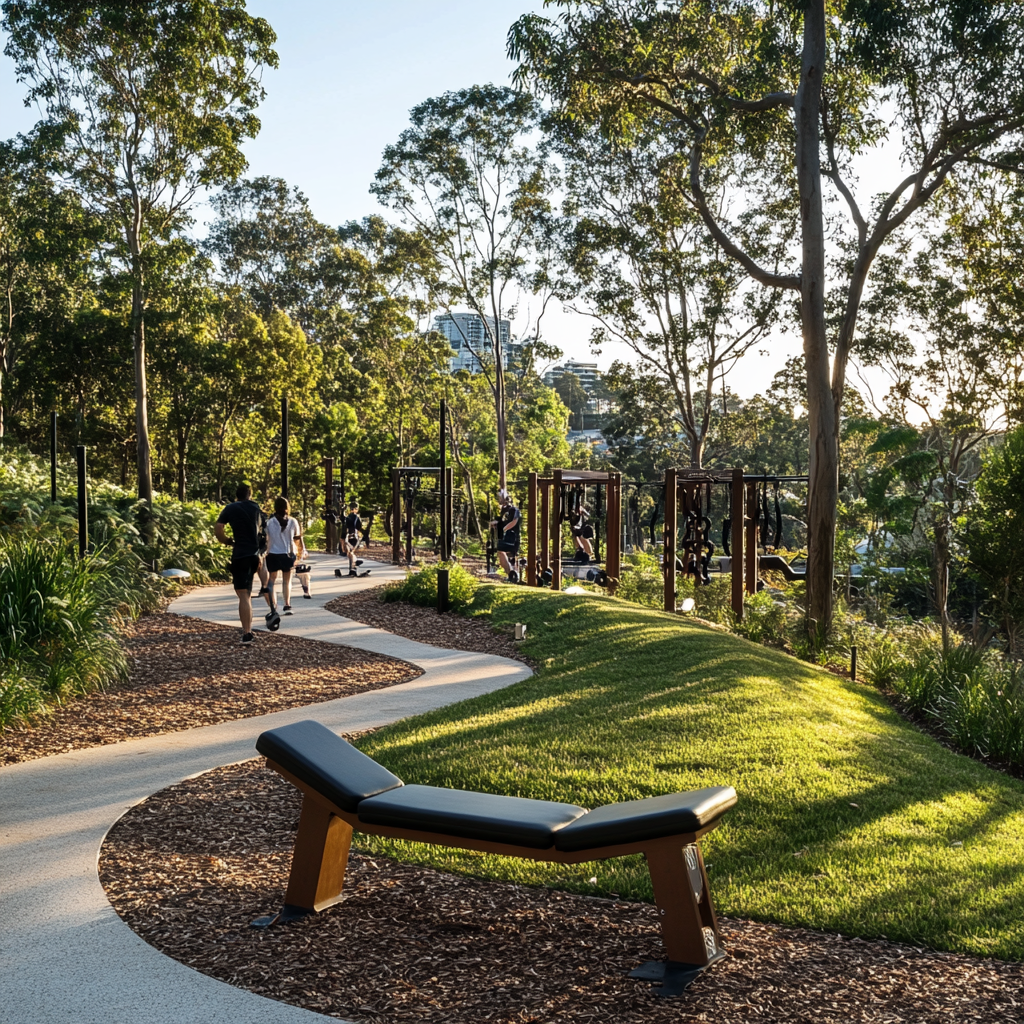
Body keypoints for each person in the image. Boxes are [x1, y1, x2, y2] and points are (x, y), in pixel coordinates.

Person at [214, 483, 277, 643]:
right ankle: (272, 608)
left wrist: (227, 541)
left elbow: (219, 528)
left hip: (240, 554)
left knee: (244, 595)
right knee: (251, 590)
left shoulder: (230, 508)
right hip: (256, 555)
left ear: (237, 495)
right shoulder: (257, 509)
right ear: (250, 494)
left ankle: (247, 633)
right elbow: (264, 535)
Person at [265, 496, 306, 614]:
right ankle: (287, 605)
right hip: (288, 553)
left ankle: (273, 606)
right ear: (287, 507)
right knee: (287, 581)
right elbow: (297, 539)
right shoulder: (293, 521)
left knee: (271, 580)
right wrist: (298, 554)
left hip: (272, 554)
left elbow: (267, 539)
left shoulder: (270, 522)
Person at [490, 489, 521, 582]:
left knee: (507, 554)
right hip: (505, 536)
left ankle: (514, 575)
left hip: (512, 537)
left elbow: (514, 521)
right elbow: (501, 521)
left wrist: (504, 529)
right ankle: (511, 574)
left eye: (500, 497)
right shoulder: (503, 510)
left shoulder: (514, 510)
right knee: (501, 552)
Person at [568, 498, 595, 563]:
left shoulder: (581, 510)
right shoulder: (572, 511)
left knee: (582, 541)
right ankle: (582, 554)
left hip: (579, 528)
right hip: (576, 527)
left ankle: (586, 555)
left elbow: (587, 515)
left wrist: (582, 512)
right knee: (579, 540)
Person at [341, 501, 363, 577]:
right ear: (356, 509)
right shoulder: (356, 517)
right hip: (354, 536)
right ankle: (353, 566)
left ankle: (352, 568)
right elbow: (359, 527)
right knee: (350, 553)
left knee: (350, 553)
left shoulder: (348, 517)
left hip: (349, 537)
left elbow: (343, 523)